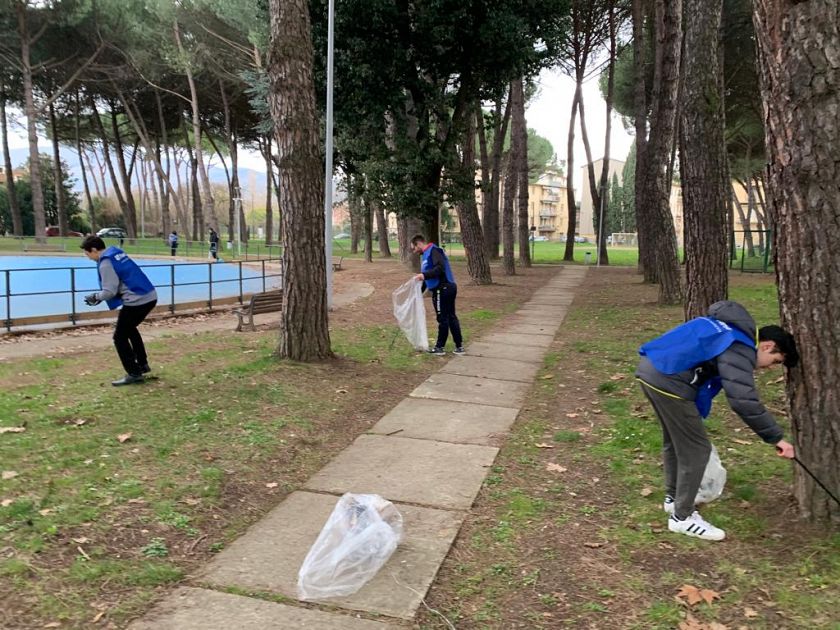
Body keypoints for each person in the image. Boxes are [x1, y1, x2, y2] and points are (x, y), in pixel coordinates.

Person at [636, 300, 798, 541]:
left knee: (675, 440)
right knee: (697, 449)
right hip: (669, 380)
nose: (769, 368)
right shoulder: (740, 345)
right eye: (775, 362)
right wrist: (776, 437)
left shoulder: (727, 328)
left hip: (650, 369)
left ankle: (673, 499)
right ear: (767, 346)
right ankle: (682, 518)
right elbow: (743, 400)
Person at [80, 236, 158, 386]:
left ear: (95, 250)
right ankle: (142, 365)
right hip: (149, 295)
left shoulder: (105, 263)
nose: (88, 258)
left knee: (119, 337)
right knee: (130, 329)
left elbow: (109, 291)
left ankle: (134, 373)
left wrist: (95, 297)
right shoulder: (116, 253)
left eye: (87, 254)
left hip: (137, 300)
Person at [411, 234, 464, 355]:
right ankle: (459, 346)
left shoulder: (434, 251)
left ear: (418, 244)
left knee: (443, 318)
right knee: (450, 317)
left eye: (414, 248)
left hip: (443, 288)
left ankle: (440, 347)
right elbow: (427, 278)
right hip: (443, 288)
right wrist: (418, 293)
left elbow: (440, 268)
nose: (414, 251)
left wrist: (423, 275)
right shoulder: (425, 255)